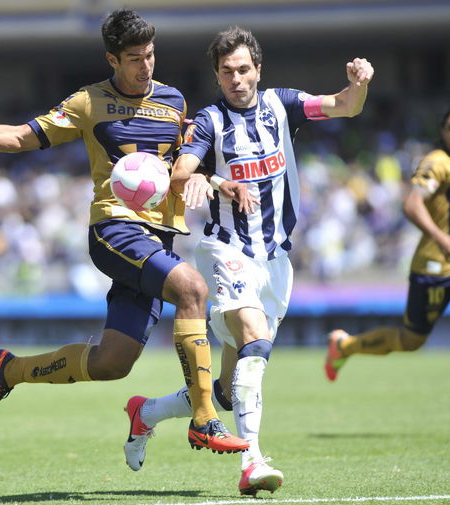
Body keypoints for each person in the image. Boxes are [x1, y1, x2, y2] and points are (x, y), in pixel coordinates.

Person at [0, 9, 249, 455]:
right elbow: (18, 138)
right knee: (191, 288)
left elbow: (182, 168)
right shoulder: (87, 103)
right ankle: (205, 419)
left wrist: (214, 181)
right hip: (115, 230)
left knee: (113, 363)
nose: (145, 66)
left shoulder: (174, 102)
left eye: (150, 55)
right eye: (134, 59)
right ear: (112, 60)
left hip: (158, 240)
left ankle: (9, 370)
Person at [121, 26, 374, 496]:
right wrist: (213, 181)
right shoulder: (209, 121)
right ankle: (252, 461)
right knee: (256, 339)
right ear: (217, 77)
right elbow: (181, 171)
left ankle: (146, 412)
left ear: (258, 69)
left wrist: (358, 84)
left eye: (242, 69)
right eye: (226, 72)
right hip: (226, 250)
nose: (235, 79)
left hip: (275, 261)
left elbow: (344, 105)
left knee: (227, 386)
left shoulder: (282, 105)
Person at [324, 103, 450, 429]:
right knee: (411, 341)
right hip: (434, 268)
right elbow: (412, 204)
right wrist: (442, 238)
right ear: (443, 133)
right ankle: (344, 345)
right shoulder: (435, 163)